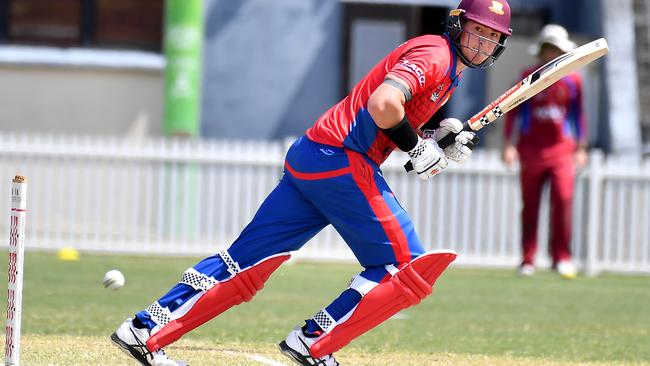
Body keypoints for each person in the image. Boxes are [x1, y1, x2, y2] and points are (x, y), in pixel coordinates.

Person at [111, 0, 512, 365]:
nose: (482, 43)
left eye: (492, 37)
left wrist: (435, 139)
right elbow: (383, 105)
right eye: (478, 30)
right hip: (342, 160)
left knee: (247, 264)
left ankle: (145, 329)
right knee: (406, 268)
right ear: (458, 24)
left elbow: (392, 120)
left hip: (314, 154)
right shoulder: (435, 54)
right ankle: (314, 341)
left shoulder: (448, 72)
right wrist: (417, 148)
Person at [502, 24, 587, 279]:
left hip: (562, 150)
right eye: (548, 49)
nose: (552, 54)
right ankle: (528, 259)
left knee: (562, 200)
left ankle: (561, 257)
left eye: (556, 50)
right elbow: (511, 112)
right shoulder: (527, 77)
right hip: (531, 149)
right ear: (541, 50)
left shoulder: (573, 80)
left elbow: (579, 116)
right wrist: (508, 145)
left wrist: (581, 147)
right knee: (530, 206)